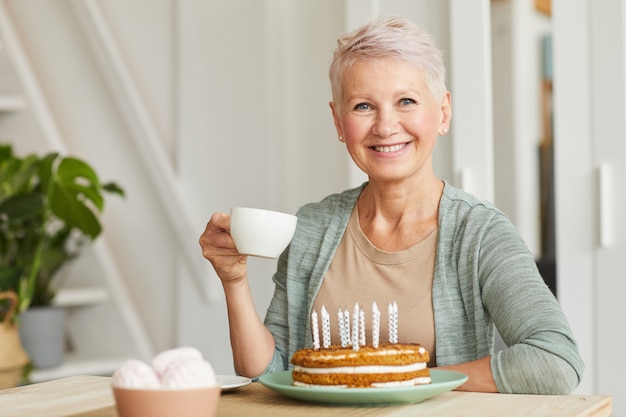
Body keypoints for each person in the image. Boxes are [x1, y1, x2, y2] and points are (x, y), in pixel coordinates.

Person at [199, 15, 584, 394]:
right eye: (363, 106)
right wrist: (234, 281)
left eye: (406, 101)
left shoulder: (479, 232)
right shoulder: (311, 226)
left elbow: (555, 362)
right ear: (337, 121)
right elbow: (269, 372)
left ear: (443, 112)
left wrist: (395, 378)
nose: (385, 126)